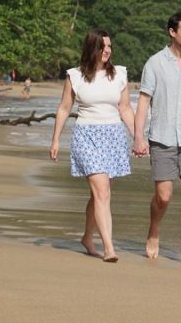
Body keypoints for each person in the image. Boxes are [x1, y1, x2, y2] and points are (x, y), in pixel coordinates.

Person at [133, 12, 181, 268]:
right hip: (162, 138)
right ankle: (154, 230)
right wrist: (138, 136)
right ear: (172, 32)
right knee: (164, 196)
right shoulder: (155, 63)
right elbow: (144, 101)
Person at [50, 29, 135, 263]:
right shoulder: (75, 76)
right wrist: (56, 139)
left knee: (99, 194)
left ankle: (88, 237)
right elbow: (65, 108)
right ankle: (109, 247)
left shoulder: (119, 74)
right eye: (102, 46)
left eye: (109, 47)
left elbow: (126, 108)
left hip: (114, 136)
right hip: (86, 135)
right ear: (92, 48)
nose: (107, 50)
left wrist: (138, 136)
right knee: (102, 192)